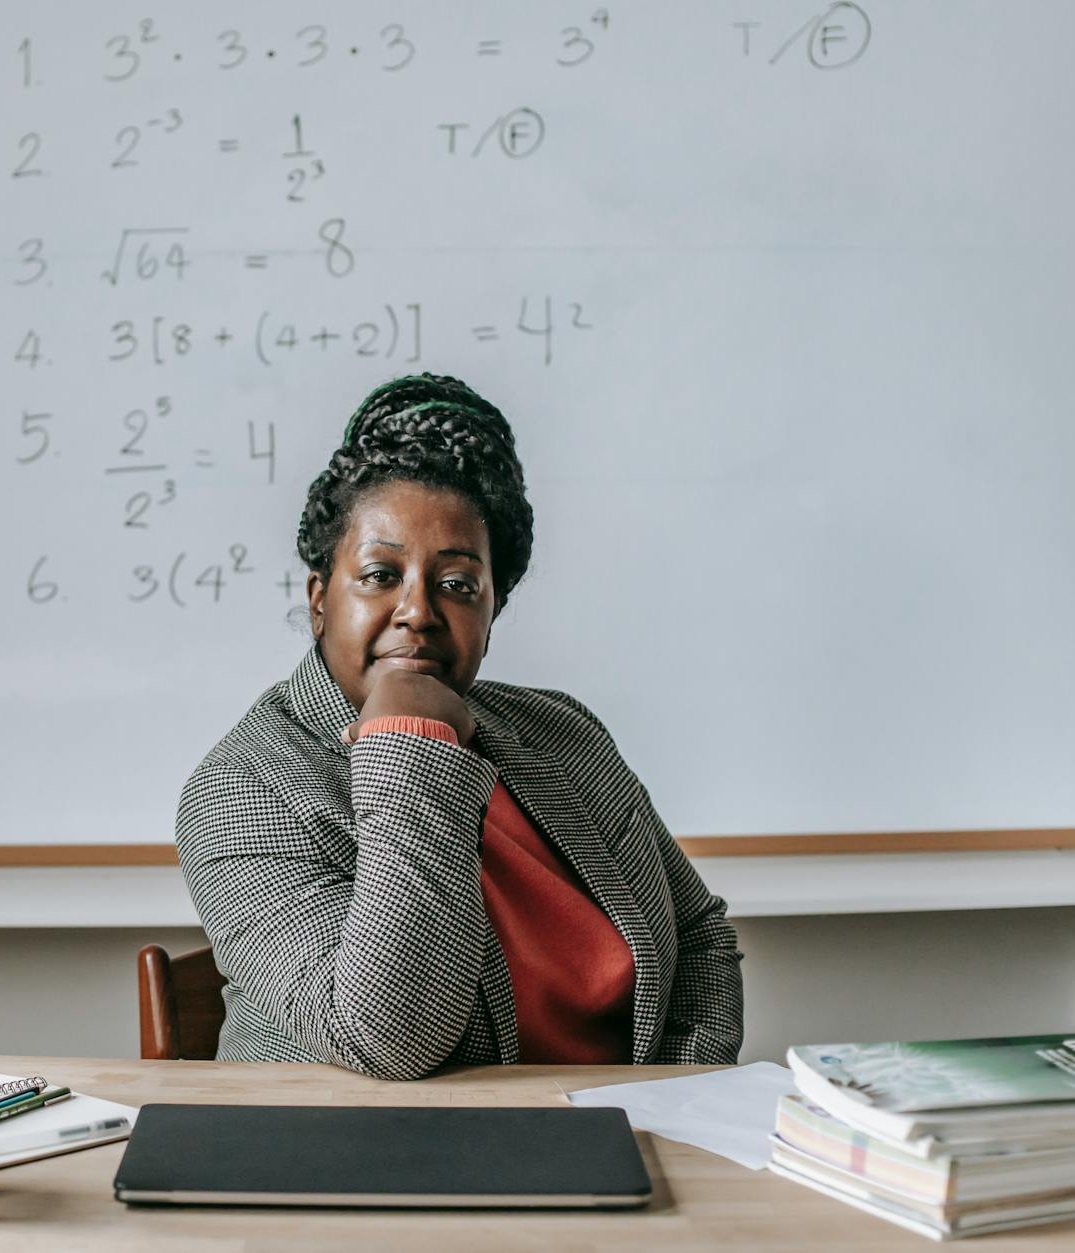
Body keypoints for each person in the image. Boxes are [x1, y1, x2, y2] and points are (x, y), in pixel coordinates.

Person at [175, 374, 743, 1079]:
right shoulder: (242, 790)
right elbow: (390, 1037)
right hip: (368, 1166)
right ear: (320, 599)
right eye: (381, 575)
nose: (418, 610)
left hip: (611, 1146)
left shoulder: (563, 731)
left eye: (456, 584)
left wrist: (671, 1102)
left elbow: (698, 938)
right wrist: (409, 740)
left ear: (491, 611)